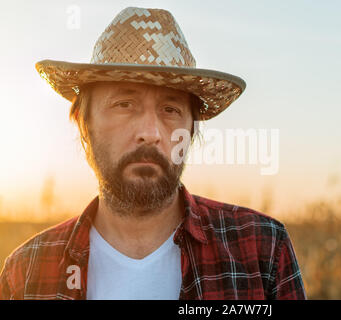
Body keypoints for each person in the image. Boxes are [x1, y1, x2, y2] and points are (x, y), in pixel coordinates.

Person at [0, 7, 306, 300]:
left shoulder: (260, 250)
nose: (151, 132)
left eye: (170, 109)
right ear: (84, 124)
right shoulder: (26, 273)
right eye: (124, 104)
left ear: (191, 131)